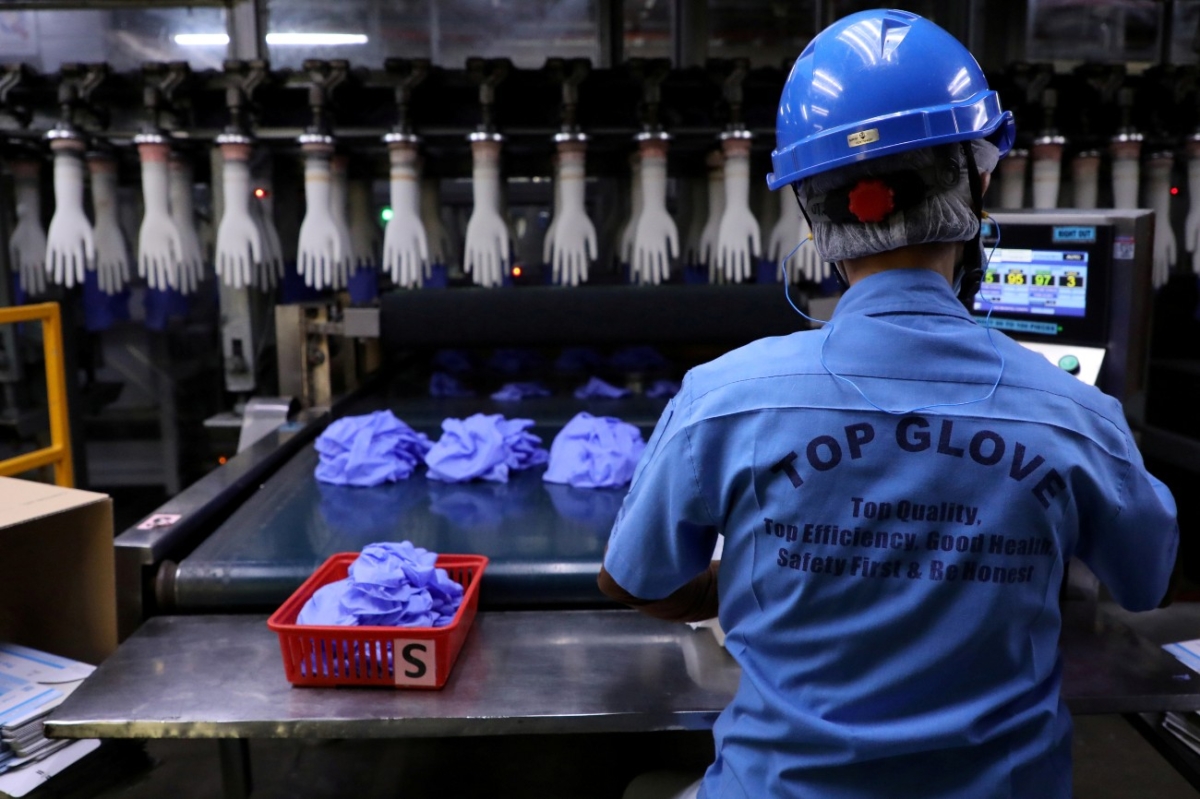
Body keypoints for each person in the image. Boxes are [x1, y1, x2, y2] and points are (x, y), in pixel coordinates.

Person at [599, 9, 1179, 799]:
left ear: (812, 211)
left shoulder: (722, 400)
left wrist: (738, 585)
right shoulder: (1074, 415)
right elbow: (1145, 581)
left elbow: (632, 579)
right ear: (976, 184)